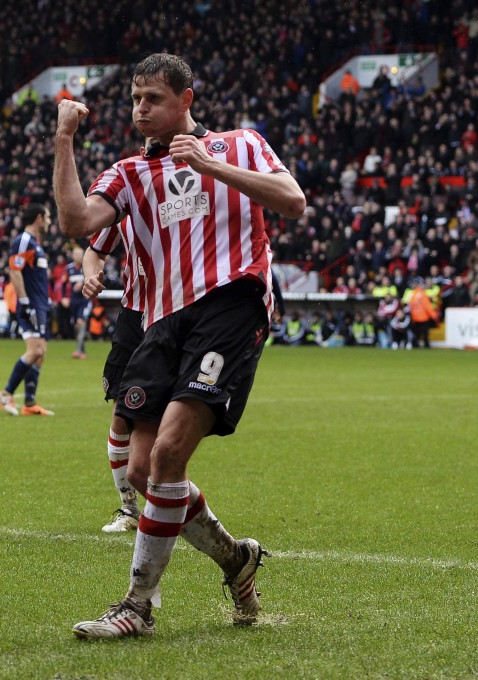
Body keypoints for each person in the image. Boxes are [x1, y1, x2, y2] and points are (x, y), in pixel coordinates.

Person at [54, 52, 306, 639]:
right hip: (159, 321)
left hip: (230, 305)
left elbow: (292, 201)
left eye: (153, 99)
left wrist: (211, 168)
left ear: (186, 99)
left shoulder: (240, 144)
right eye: (135, 99)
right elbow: (75, 223)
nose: (141, 110)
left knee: (169, 455)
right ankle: (234, 558)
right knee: (144, 472)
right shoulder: (126, 173)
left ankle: (137, 607)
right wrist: (64, 140)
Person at [82, 219, 144, 533]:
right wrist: (91, 275)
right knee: (121, 413)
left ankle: (170, 503)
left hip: (182, 315)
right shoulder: (127, 199)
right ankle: (129, 508)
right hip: (134, 317)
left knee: (174, 420)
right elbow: (94, 251)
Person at [0, 204, 56, 417]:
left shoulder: (36, 245)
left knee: (41, 353)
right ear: (39, 218)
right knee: (35, 350)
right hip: (31, 305)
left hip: (40, 305)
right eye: (48, 217)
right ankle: (5, 393)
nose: (49, 222)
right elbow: (15, 270)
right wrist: (25, 301)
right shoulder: (24, 241)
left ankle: (29, 402)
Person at [66, 246, 92, 359]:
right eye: (76, 254)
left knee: (81, 321)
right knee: (77, 325)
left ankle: (78, 351)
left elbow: (94, 279)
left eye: (80, 254)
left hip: (84, 299)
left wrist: (83, 283)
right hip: (73, 300)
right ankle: (82, 349)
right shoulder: (69, 269)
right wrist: (64, 297)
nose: (78, 256)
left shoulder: (87, 267)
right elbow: (62, 285)